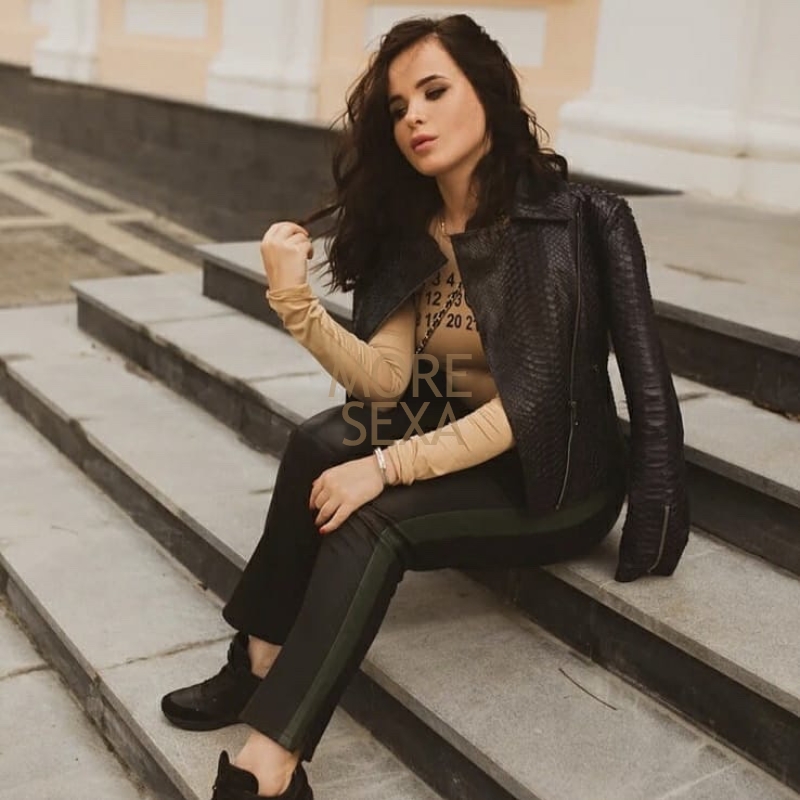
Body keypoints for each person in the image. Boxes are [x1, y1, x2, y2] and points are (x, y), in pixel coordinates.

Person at [161, 13, 690, 800]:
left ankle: (265, 769)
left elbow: (560, 398)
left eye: (435, 91)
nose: (414, 116)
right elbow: (385, 381)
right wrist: (293, 300)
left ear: (489, 91)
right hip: (449, 428)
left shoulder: (574, 220)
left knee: (371, 518)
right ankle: (261, 659)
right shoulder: (420, 227)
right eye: (398, 106)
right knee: (319, 441)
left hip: (556, 475)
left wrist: (385, 468)